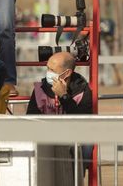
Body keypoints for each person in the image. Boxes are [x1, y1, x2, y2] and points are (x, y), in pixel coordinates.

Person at [26, 52, 93, 185]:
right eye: (47, 68)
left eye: (52, 70)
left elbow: (82, 121)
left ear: (66, 73)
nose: (48, 73)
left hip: (72, 135)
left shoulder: (82, 90)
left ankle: (75, 179)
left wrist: (64, 96)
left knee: (87, 144)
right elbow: (30, 119)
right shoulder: (40, 89)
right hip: (46, 136)